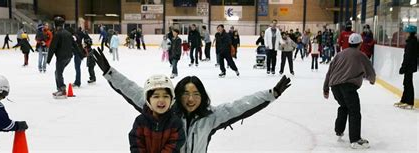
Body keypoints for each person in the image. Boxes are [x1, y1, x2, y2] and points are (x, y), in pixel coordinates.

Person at [91, 49, 291, 153]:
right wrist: (110, 73)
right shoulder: (166, 111)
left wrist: (270, 94)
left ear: (202, 96)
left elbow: (240, 106)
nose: (191, 98)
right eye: (186, 93)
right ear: (177, 95)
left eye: (196, 93)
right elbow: (135, 92)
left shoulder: (211, 117)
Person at [323, 33, 376, 149]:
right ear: (360, 43)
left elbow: (330, 71)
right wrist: (372, 80)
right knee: (354, 111)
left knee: (344, 106)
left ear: (349, 43)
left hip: (335, 86)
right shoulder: (361, 55)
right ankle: (355, 140)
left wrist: (325, 88)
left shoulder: (339, 55)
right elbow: (370, 70)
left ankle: (339, 130)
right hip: (348, 87)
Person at [129, 74, 185, 153]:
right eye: (156, 96)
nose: (161, 100)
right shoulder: (140, 121)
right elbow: (136, 144)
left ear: (171, 99)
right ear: (148, 100)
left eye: (166, 96)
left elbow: (173, 146)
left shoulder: (175, 123)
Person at [47, 16, 84, 98]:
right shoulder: (68, 33)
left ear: (55, 25)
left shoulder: (57, 34)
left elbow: (52, 47)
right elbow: (75, 45)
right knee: (58, 72)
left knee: (58, 73)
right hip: (69, 57)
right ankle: (60, 89)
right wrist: (81, 55)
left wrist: (48, 59)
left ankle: (62, 90)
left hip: (61, 57)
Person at [394, 25, 418, 109]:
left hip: (409, 66)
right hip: (410, 65)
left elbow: (408, 57)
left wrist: (403, 67)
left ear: (409, 33)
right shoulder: (412, 41)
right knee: (406, 82)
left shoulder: (411, 43)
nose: (405, 34)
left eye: (406, 32)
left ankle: (409, 102)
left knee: (408, 83)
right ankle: (404, 100)